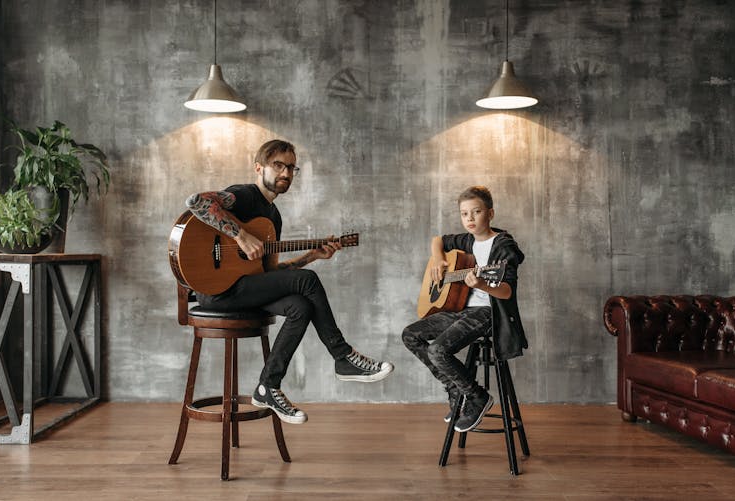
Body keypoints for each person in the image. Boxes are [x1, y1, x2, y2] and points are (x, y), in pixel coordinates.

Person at [185, 139, 393, 424]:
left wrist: (311, 257)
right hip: (216, 291)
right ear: (259, 168)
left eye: (291, 168)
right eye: (278, 165)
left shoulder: (273, 217)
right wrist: (241, 236)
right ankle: (342, 356)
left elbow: (270, 274)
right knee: (307, 282)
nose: (286, 173)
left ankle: (267, 386)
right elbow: (197, 202)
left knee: (300, 305)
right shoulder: (242, 196)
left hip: (243, 286)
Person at [401, 186, 527, 432]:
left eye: (476, 212)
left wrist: (481, 283)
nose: (469, 219)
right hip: (460, 309)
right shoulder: (466, 240)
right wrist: (439, 260)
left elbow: (507, 291)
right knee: (410, 335)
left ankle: (476, 396)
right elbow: (437, 240)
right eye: (464, 213)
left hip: (488, 312)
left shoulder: (503, 247)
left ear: (490, 213)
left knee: (438, 350)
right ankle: (454, 389)